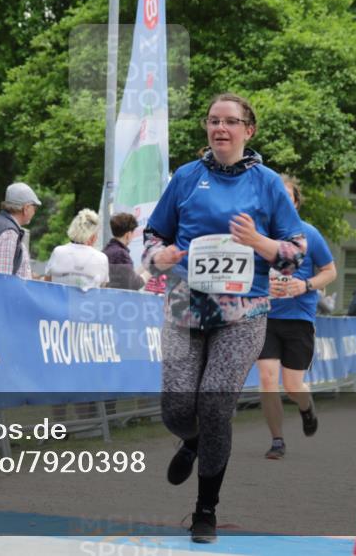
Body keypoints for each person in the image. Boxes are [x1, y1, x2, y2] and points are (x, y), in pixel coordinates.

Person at [143, 93, 305, 543]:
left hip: (244, 311)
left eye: (230, 122)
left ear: (248, 130)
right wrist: (161, 254)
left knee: (215, 406)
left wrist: (260, 242)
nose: (220, 128)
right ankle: (191, 440)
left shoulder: (268, 183)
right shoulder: (187, 177)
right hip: (185, 306)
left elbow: (295, 253)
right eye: (213, 121)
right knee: (177, 408)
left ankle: (205, 509)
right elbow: (153, 234)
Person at [257, 175, 336, 460]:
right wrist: (262, 287)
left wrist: (305, 285)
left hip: (299, 318)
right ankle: (277, 440)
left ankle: (306, 406)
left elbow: (330, 271)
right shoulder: (260, 234)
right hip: (265, 317)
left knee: (292, 385)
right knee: (267, 379)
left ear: (295, 202)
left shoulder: (308, 234)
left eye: (286, 196)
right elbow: (245, 274)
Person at [46, 209, 109, 290]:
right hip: (86, 302)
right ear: (93, 237)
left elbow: (47, 282)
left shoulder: (58, 252)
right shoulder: (102, 258)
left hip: (58, 300)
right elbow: (103, 288)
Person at [102, 212, 145, 290]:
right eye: (133, 233)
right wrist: (150, 272)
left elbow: (127, 276)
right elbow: (133, 284)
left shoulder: (106, 250)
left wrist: (145, 267)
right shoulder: (121, 254)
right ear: (128, 235)